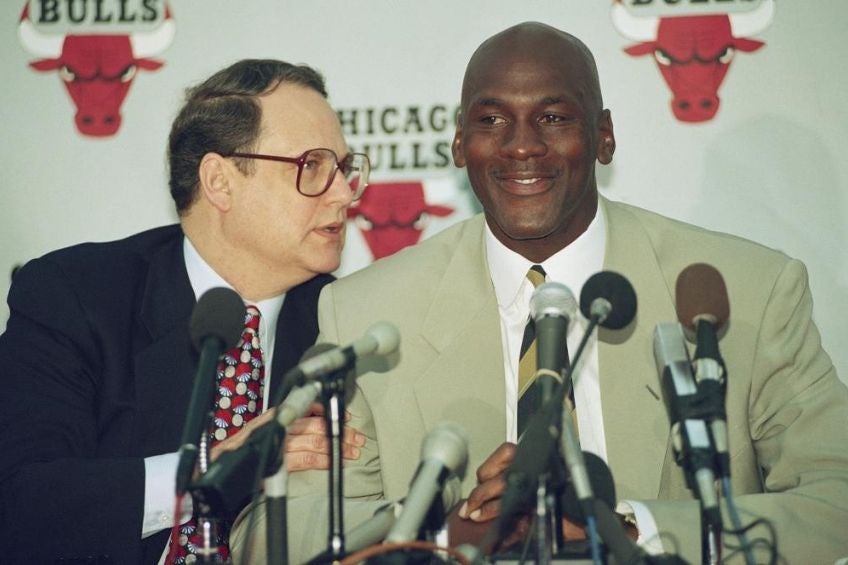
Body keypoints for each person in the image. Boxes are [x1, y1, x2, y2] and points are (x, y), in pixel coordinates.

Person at [232, 23, 848, 564]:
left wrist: (632, 526)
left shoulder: (747, 290)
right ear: (456, 144)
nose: (521, 145)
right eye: (491, 120)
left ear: (604, 137)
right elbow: (270, 534)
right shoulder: (368, 311)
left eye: (553, 118)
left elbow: (837, 493)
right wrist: (438, 535)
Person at [0, 59, 370, 563]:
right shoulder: (76, 296)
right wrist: (206, 473)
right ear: (219, 181)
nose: (345, 194)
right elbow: (20, 499)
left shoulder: (350, 325)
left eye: (345, 169)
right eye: (313, 167)